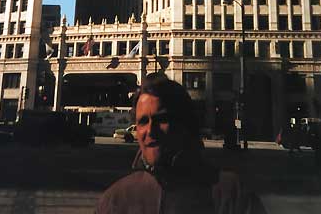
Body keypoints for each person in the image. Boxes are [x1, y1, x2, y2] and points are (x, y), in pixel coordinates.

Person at [95, 73, 267, 213]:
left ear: (184, 123)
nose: (150, 130)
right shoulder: (115, 199)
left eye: (161, 119)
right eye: (142, 122)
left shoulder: (231, 194)